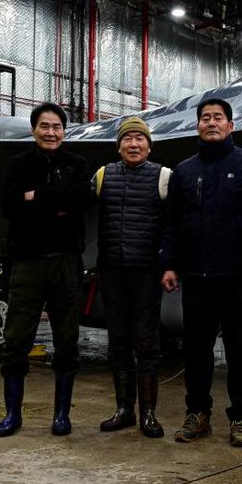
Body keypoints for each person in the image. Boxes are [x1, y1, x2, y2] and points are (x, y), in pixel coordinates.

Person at [160, 98, 242, 448]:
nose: (211, 122)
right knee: (196, 350)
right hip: (196, 277)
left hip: (239, 277)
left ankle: (241, 416)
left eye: (218, 118)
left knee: (241, 350)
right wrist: (168, 264)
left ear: (231, 125)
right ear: (197, 126)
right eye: (205, 118)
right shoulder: (184, 171)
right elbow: (172, 223)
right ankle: (198, 414)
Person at [0, 102, 92, 438]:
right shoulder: (18, 165)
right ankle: (12, 415)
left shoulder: (77, 164)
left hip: (66, 263)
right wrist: (57, 203)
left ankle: (62, 416)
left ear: (64, 132)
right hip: (27, 264)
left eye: (57, 127)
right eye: (44, 126)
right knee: (16, 339)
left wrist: (38, 197)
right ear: (34, 129)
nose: (51, 133)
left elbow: (82, 198)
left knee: (67, 341)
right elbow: (10, 206)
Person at [93, 117, 172, 438]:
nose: (134, 144)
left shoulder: (164, 177)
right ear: (119, 145)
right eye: (128, 139)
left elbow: (173, 226)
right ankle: (124, 410)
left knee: (147, 342)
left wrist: (170, 263)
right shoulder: (102, 176)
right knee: (118, 342)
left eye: (140, 139)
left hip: (146, 273)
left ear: (149, 146)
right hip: (112, 271)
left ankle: (149, 414)